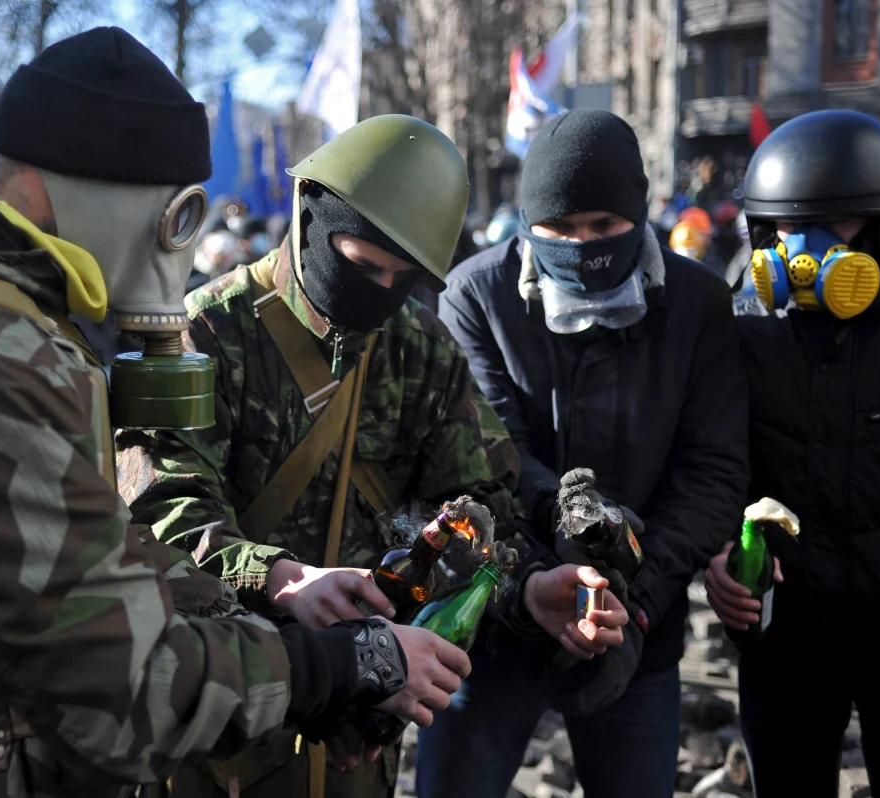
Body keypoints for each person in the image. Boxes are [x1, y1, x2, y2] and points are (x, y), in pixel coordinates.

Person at [0, 29, 467, 797]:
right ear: (99, 196)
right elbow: (124, 695)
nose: (181, 247)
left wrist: (280, 600)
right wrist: (343, 663)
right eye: (176, 213)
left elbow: (92, 571)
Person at [120, 114, 629, 798]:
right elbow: (157, 513)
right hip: (220, 716)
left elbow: (481, 508)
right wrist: (279, 579)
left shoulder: (421, 350)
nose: (378, 293)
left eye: (402, 278)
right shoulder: (202, 334)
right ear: (308, 215)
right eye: (361, 265)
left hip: (363, 723)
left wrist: (530, 589)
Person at [415, 109, 749, 798]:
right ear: (528, 222)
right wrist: (545, 578)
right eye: (560, 229)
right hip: (493, 622)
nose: (581, 244)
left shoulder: (699, 304)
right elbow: (488, 457)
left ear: (639, 212)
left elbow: (712, 470)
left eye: (603, 227)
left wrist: (635, 599)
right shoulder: (476, 296)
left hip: (637, 632)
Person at [705, 109, 880, 798]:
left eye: (826, 226)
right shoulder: (741, 329)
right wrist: (718, 554)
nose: (796, 250)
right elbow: (709, 465)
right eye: (779, 229)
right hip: (787, 644)